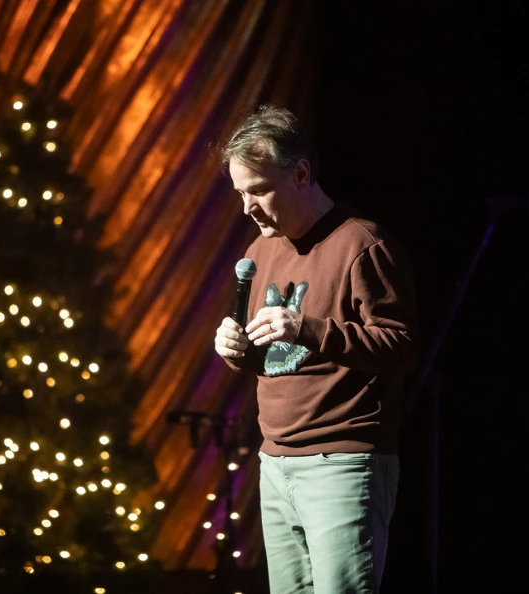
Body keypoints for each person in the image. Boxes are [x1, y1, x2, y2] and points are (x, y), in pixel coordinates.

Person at [214, 105, 419, 593]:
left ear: (301, 173)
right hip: (275, 461)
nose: (247, 207)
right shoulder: (258, 252)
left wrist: (308, 328)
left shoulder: (361, 244)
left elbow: (402, 348)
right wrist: (235, 349)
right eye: (240, 193)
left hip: (342, 464)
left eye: (259, 190)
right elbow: (270, 356)